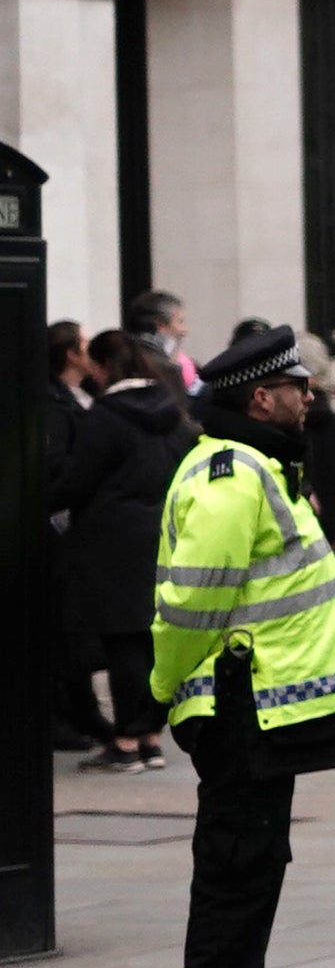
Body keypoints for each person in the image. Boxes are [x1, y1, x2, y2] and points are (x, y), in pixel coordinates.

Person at [151, 327, 335, 968]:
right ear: (260, 397)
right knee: (236, 877)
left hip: (261, 713)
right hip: (241, 710)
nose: (310, 395)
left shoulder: (261, 467)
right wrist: (169, 691)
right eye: (297, 386)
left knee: (249, 874)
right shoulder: (231, 474)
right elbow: (192, 601)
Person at [55, 329, 191, 774]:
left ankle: (127, 740)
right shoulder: (170, 411)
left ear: (101, 367)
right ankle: (150, 736)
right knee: (149, 639)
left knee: (122, 644)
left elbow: (79, 478)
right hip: (158, 532)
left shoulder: (107, 415)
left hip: (109, 539)